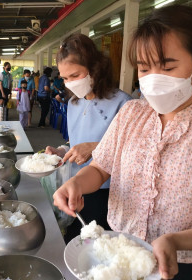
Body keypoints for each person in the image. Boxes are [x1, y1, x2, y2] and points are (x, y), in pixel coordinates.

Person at [52, 5, 192, 280]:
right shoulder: (131, 113)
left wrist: (176, 241)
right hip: (122, 254)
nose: (153, 79)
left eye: (167, 66)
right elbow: (101, 168)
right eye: (144, 68)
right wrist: (76, 184)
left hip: (191, 268)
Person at [45, 33, 132, 243]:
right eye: (65, 78)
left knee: (97, 244)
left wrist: (96, 147)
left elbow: (134, 150)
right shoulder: (74, 103)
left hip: (108, 191)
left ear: (94, 69)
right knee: (74, 239)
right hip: (75, 184)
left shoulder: (123, 104)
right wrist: (63, 152)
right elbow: (76, 142)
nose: (69, 84)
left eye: (75, 76)